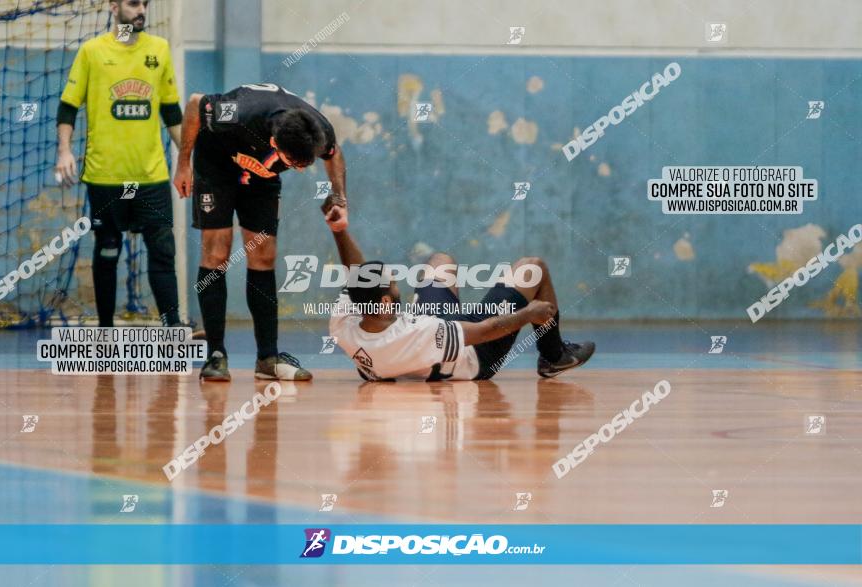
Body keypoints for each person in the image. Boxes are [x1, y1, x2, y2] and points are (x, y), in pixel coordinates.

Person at [173, 82, 347, 382]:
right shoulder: (239, 113)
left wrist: (339, 197)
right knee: (217, 252)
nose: (302, 170)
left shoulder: (318, 129)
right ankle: (216, 355)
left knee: (263, 255)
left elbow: (333, 155)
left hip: (261, 178)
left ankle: (267, 357)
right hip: (216, 167)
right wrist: (183, 163)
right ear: (275, 143)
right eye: (295, 164)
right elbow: (194, 103)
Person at [321, 194, 595, 381]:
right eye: (393, 281)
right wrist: (529, 314)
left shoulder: (344, 321)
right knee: (533, 268)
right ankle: (554, 357)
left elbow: (357, 274)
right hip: (471, 356)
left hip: (413, 337)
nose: (397, 279)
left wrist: (339, 230)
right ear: (384, 302)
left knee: (440, 261)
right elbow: (485, 331)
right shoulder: (420, 333)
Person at [55, 0, 184, 327]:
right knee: (108, 249)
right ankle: (105, 330)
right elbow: (68, 106)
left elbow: (171, 112)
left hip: (151, 176)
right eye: (132, 3)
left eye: (144, 4)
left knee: (162, 252)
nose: (141, 10)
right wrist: (64, 151)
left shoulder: (159, 49)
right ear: (114, 7)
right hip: (105, 177)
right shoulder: (92, 51)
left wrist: (189, 160)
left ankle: (173, 327)